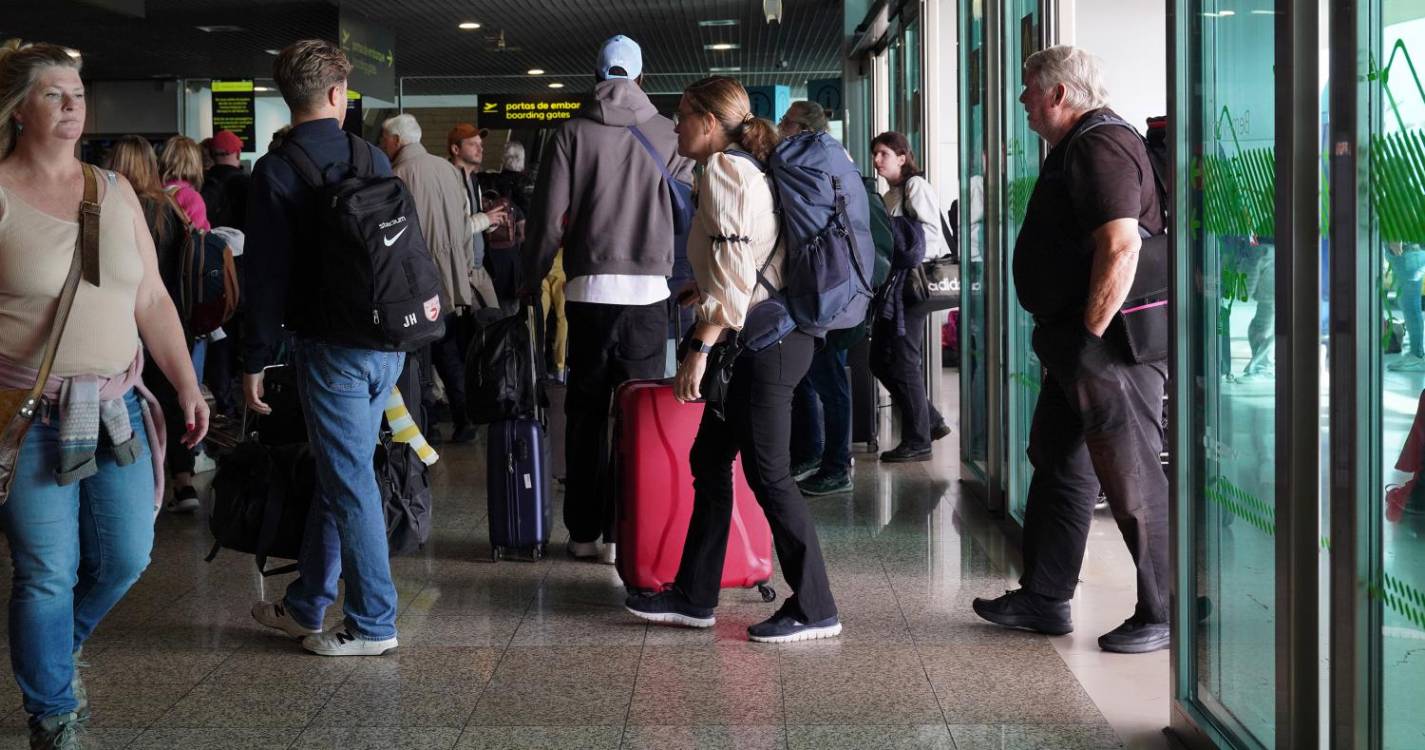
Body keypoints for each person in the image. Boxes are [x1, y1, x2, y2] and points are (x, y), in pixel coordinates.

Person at [0, 40, 208, 747]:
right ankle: (53, 711)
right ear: (18, 108)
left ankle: (55, 650)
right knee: (46, 573)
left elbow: (150, 297)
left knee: (126, 558)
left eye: (78, 94)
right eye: (54, 94)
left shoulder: (114, 191)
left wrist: (186, 381)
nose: (70, 106)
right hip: (28, 415)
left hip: (115, 407)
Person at [624, 76, 841, 643]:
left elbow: (738, 275)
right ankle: (694, 597)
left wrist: (698, 346)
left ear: (708, 122)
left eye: (681, 115)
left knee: (769, 475)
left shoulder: (722, 170)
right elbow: (744, 260)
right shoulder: (741, 166)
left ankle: (817, 607)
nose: (674, 126)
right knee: (709, 459)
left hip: (764, 346)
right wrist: (707, 292)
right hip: (765, 336)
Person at [971, 45, 1171, 654]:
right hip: (1077, 347)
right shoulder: (1078, 144)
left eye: (1030, 90)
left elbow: (1121, 246)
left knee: (1131, 474)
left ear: (1060, 94)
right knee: (1058, 461)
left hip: (1105, 348)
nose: (1024, 101)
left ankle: (1163, 610)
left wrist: (1087, 336)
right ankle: (1045, 596)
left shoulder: (1099, 144)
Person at [243, 39, 406, 657]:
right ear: (338, 93)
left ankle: (372, 623)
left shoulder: (277, 170)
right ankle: (308, 603)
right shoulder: (372, 157)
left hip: (330, 349)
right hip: (388, 341)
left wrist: (254, 358)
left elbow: (265, 276)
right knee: (344, 474)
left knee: (349, 480)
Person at [523, 35, 693, 563]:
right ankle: (628, 527)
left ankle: (582, 532)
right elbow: (690, 214)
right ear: (642, 78)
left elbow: (549, 220)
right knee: (639, 410)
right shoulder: (670, 134)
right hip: (650, 292)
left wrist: (530, 278)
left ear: (596, 76)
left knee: (586, 410)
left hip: (588, 290)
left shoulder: (570, 133)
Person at [104, 135, 205, 514]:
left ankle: (142, 477)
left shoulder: (112, 208)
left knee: (129, 399)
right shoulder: (173, 210)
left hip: (125, 324)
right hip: (172, 322)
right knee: (176, 400)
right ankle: (183, 480)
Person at [380, 113, 479, 444]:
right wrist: (464, 268)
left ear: (396, 140)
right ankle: (465, 416)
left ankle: (428, 422)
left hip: (418, 281)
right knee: (448, 348)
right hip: (451, 276)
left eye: (384, 139)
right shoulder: (448, 169)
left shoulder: (397, 176)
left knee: (420, 355)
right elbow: (465, 226)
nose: (382, 145)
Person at [776, 101, 856, 495]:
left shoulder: (807, 158)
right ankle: (814, 452)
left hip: (827, 287)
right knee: (813, 378)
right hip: (834, 282)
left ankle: (836, 465)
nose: (779, 127)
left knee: (830, 383)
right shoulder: (836, 158)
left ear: (802, 128)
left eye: (785, 122)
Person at [868, 131, 951, 462]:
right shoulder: (889, 195)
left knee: (903, 361)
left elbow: (931, 237)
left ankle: (919, 440)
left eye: (884, 153)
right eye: (875, 154)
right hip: (894, 289)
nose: (877, 160)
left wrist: (903, 252)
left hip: (912, 287)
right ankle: (928, 420)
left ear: (902, 157)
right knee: (879, 360)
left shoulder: (916, 186)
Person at [447, 123, 506, 311]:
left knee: (494, 325)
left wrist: (492, 222)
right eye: (473, 144)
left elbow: (474, 221)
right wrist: (486, 219)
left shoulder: (473, 179)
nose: (480, 148)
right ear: (456, 149)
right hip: (461, 273)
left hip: (479, 269)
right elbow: (453, 228)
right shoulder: (448, 180)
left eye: (480, 144)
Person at [200, 129, 249, 231]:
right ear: (238, 153)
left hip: (211, 244)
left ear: (212, 155)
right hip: (241, 244)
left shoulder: (201, 182)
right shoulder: (249, 183)